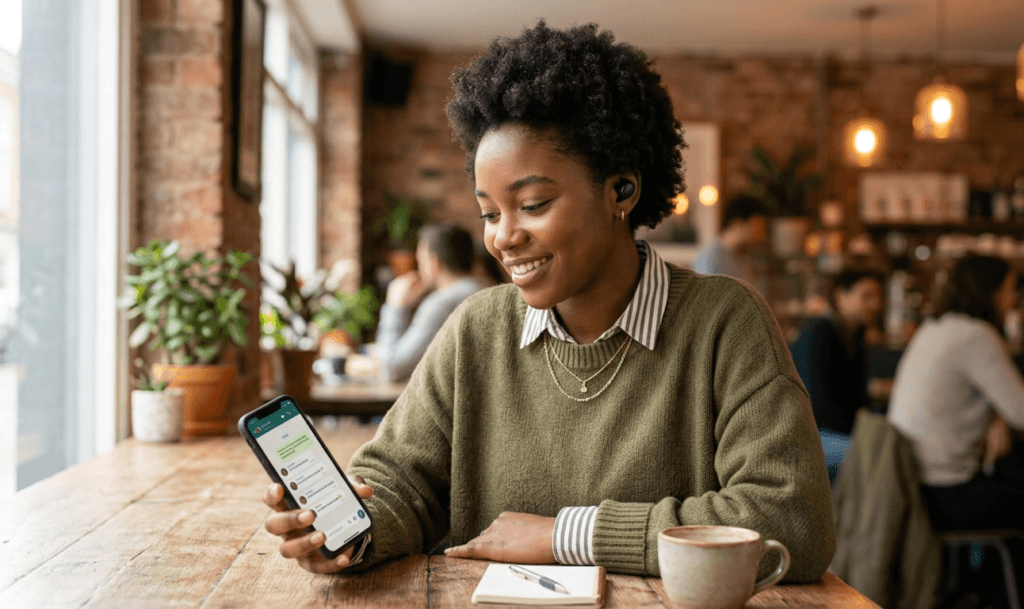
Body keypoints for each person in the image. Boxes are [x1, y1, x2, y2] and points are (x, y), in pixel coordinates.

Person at [261, 21, 834, 582]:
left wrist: (564, 536)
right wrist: (346, 533)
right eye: (489, 213)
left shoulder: (724, 323)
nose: (503, 237)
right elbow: (398, 482)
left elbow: (791, 522)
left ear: (621, 191)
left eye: (532, 204)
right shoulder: (478, 330)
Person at [888, 254, 1024, 533]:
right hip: (947, 493)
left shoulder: (935, 328)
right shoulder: (975, 335)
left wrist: (998, 417)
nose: (1013, 300)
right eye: (1010, 289)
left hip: (912, 486)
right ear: (990, 291)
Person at [790, 269, 884, 484]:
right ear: (841, 296)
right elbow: (818, 405)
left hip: (835, 433)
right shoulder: (818, 332)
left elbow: (859, 398)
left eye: (879, 296)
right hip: (806, 435)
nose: (876, 304)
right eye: (866, 296)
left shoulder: (856, 335)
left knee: (887, 450)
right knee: (875, 460)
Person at [375, 223, 486, 382]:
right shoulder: (484, 290)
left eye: (420, 261)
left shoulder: (442, 302)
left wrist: (395, 306)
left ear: (434, 263)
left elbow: (390, 369)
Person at [690, 193, 768, 279]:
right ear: (738, 224)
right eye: (759, 229)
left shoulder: (739, 256)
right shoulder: (711, 259)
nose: (762, 237)